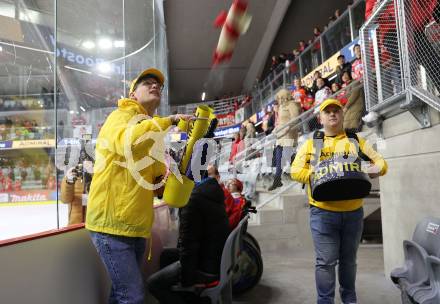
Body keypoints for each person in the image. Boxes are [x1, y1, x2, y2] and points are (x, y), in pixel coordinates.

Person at [85, 68, 191, 304]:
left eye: (158, 85)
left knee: (121, 293)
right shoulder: (119, 117)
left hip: (135, 228)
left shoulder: (150, 128)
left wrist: (177, 166)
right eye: (147, 83)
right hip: (111, 226)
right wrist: (168, 121)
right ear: (133, 95)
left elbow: (156, 182)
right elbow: (128, 142)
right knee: (131, 296)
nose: (155, 86)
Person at [291, 99, 388, 304]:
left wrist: (372, 169)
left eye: (337, 111)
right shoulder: (312, 143)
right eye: (328, 112)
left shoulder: (355, 141)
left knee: (349, 262)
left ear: (343, 115)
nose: (333, 114)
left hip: (354, 213)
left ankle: (349, 300)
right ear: (321, 118)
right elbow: (295, 171)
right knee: (325, 263)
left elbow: (380, 162)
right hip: (323, 213)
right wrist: (315, 172)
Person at [146, 172, 230, 304]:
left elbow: (189, 246)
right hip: (215, 257)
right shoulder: (208, 191)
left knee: (153, 284)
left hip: (206, 266)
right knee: (165, 255)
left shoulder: (191, 202)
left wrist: (186, 281)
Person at [269, 89, 301, 191]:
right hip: (281, 134)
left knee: (288, 155)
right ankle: (277, 179)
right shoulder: (281, 107)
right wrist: (274, 130)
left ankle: (300, 171)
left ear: (285, 96)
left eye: (280, 97)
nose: (279, 100)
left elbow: (295, 118)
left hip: (289, 133)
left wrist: (288, 126)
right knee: (278, 157)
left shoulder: (292, 104)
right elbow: (279, 122)